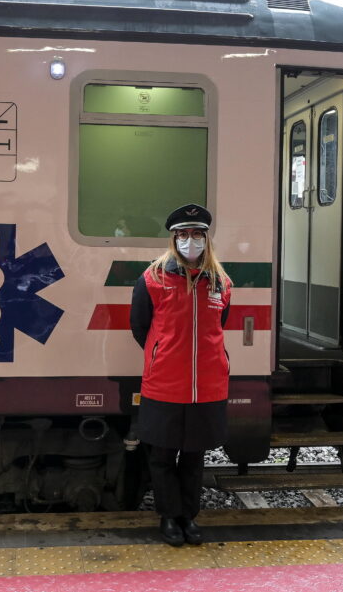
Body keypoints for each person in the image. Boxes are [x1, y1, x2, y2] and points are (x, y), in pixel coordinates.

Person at [129, 203, 232, 547]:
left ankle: (189, 517)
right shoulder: (152, 279)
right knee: (161, 455)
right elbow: (140, 327)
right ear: (174, 239)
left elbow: (220, 325)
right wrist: (164, 355)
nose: (191, 241)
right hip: (164, 384)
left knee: (194, 455)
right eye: (184, 235)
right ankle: (168, 517)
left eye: (197, 234)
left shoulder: (221, 281)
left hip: (208, 385)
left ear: (206, 238)